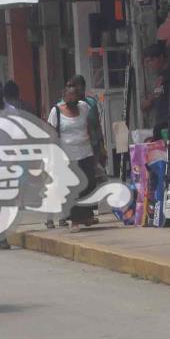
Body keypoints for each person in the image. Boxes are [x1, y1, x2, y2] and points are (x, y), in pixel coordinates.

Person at [48, 83, 98, 231]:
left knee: (88, 185)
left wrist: (96, 145)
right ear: (64, 97)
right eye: (69, 95)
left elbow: (90, 126)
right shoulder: (56, 111)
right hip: (67, 155)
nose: (72, 98)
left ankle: (86, 216)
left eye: (75, 95)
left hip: (86, 152)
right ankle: (75, 219)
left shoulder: (83, 107)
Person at [141, 43, 169, 138]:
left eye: (151, 61)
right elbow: (157, 92)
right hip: (161, 124)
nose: (150, 65)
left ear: (161, 57)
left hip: (169, 124)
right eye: (147, 62)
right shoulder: (161, 77)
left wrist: (149, 100)